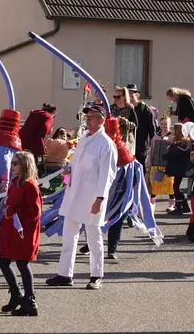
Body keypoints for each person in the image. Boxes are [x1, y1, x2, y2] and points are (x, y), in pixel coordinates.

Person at [46, 104, 117, 290]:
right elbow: (77, 162)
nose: (88, 119)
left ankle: (96, 275)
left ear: (102, 120)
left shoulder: (106, 144)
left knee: (93, 236)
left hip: (92, 196)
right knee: (69, 235)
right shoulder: (84, 137)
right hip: (74, 193)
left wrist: (100, 198)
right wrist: (69, 168)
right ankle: (65, 274)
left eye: (92, 116)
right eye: (87, 116)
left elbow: (108, 175)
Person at [0, 151, 42, 316]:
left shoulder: (30, 185)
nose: (12, 166)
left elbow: (35, 212)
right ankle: (17, 294)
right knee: (3, 261)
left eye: (15, 163)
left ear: (25, 165)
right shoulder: (15, 182)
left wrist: (13, 211)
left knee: (22, 264)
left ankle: (29, 300)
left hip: (24, 231)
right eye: (12, 162)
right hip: (11, 229)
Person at [147, 115, 174, 211]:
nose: (163, 126)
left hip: (167, 165)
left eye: (165, 124)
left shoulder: (172, 137)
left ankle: (172, 204)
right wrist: (149, 162)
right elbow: (152, 150)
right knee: (154, 185)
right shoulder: (156, 137)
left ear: (169, 124)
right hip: (156, 164)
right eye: (161, 124)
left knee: (169, 185)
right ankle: (152, 203)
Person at [164, 123, 192, 215]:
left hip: (178, 168)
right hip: (181, 167)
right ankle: (184, 206)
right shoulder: (185, 143)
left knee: (176, 188)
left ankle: (179, 207)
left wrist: (170, 147)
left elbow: (171, 155)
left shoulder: (181, 144)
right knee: (176, 187)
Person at [127, 84, 156, 168]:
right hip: (128, 142)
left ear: (136, 94)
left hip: (141, 143)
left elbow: (151, 125)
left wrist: (153, 141)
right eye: (128, 93)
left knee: (140, 165)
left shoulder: (143, 107)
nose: (130, 95)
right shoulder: (125, 108)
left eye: (132, 92)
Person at [111, 87, 138, 153]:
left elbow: (135, 125)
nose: (116, 99)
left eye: (118, 97)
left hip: (126, 142)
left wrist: (124, 121)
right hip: (113, 140)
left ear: (124, 97)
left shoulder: (129, 108)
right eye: (114, 97)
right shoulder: (111, 108)